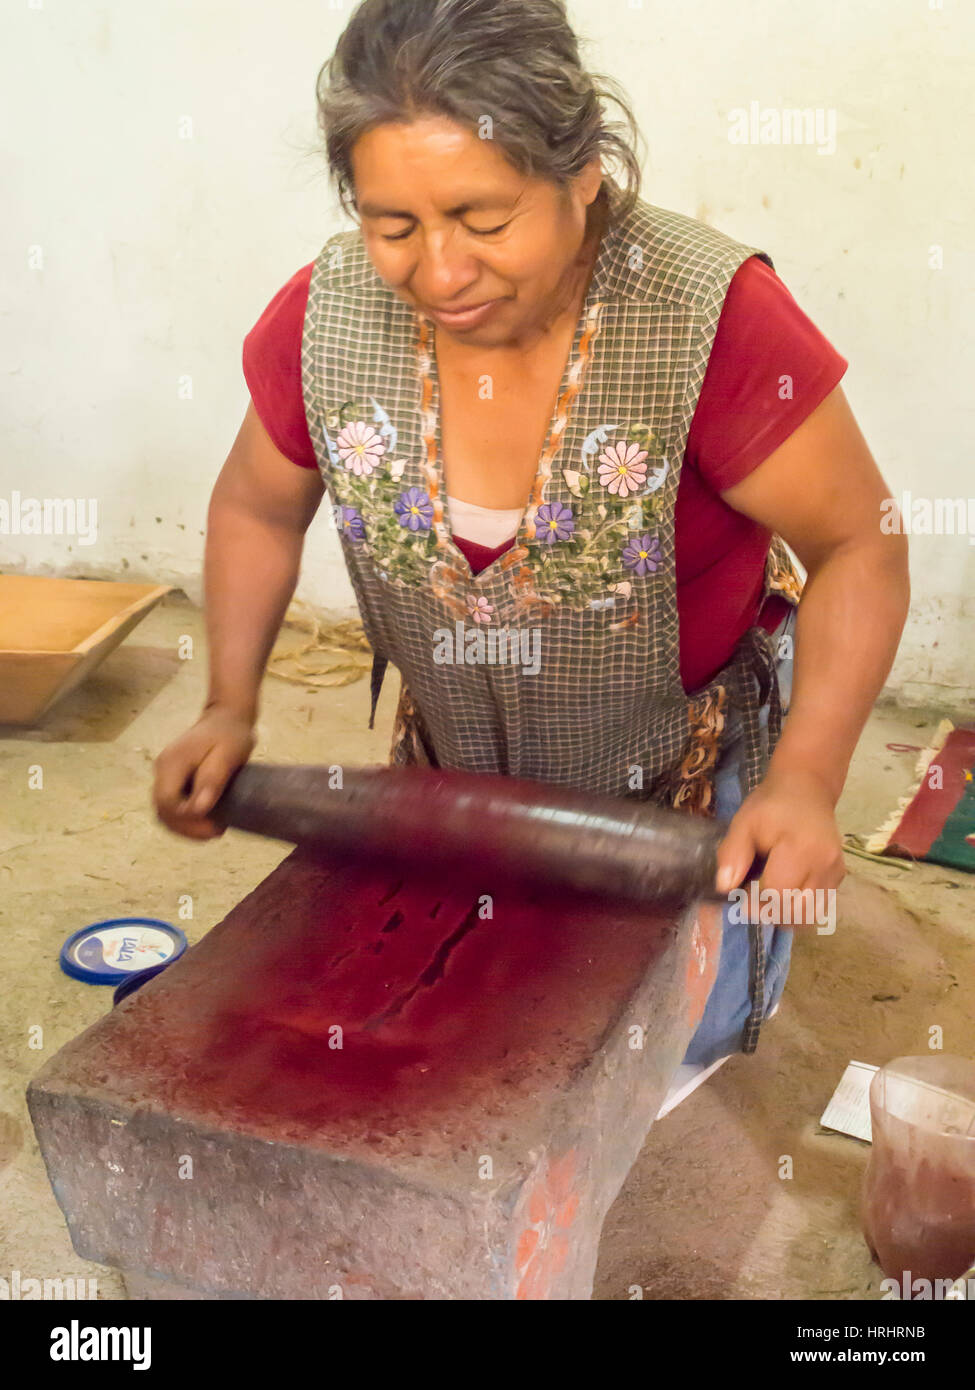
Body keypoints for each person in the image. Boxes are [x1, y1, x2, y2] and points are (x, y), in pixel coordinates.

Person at [154, 0, 910, 1069]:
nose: (442, 274)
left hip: (677, 794)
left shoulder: (708, 318)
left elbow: (861, 547)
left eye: (486, 219)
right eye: (394, 227)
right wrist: (228, 703)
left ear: (584, 171)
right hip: (457, 779)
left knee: (655, 1055)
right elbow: (255, 505)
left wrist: (808, 783)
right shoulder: (325, 319)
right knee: (475, 1041)